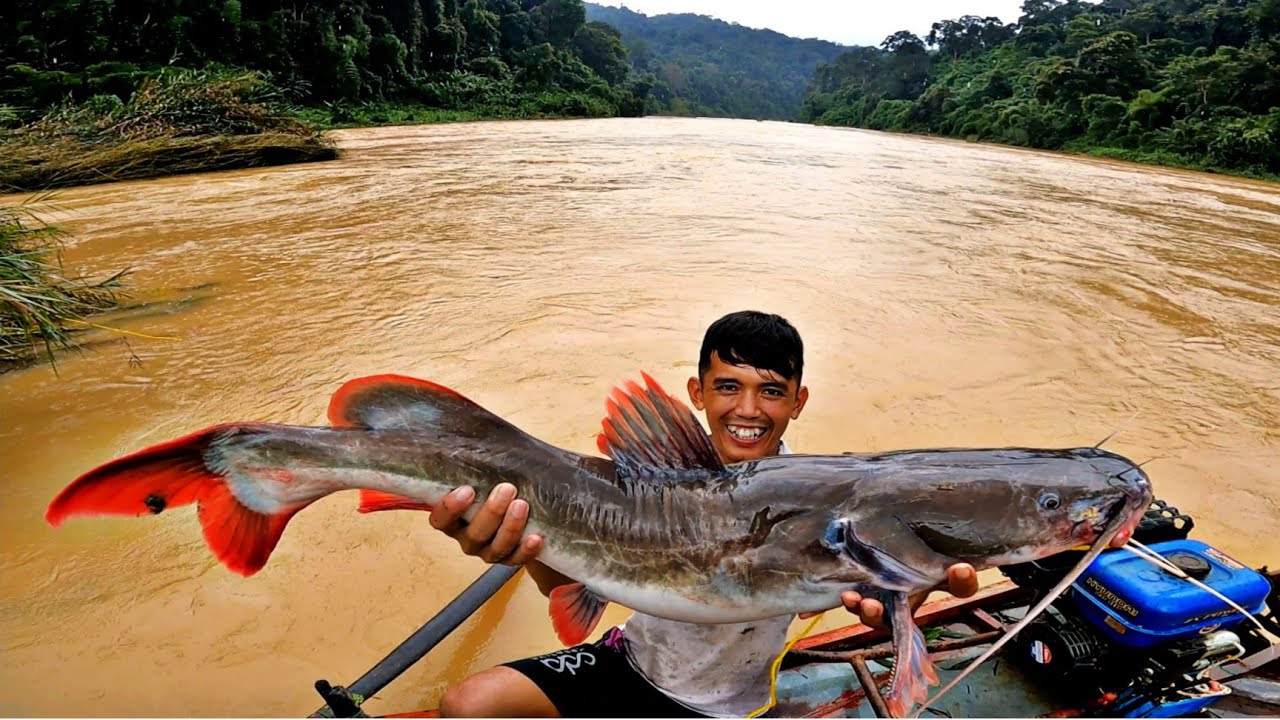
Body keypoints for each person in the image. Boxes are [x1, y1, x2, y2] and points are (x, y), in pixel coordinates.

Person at [431, 311, 978, 718]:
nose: (747, 409)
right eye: (727, 387)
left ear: (798, 401)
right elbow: (569, 585)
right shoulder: (644, 481)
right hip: (631, 662)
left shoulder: (827, 503)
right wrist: (522, 545)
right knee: (470, 703)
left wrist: (904, 594)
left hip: (727, 706)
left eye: (771, 391)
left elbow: (857, 597)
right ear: (697, 392)